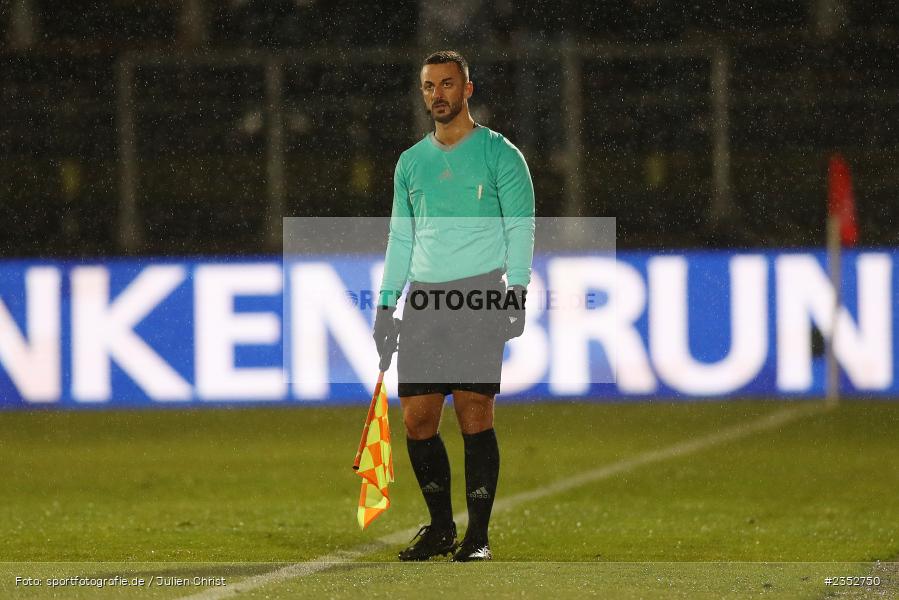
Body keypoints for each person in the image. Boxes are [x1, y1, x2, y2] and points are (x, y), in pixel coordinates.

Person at [372, 50, 535, 562]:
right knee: (418, 419)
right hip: (424, 299)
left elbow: (521, 226)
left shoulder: (501, 155)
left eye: (446, 84)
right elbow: (401, 237)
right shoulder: (410, 163)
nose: (436, 95)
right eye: (428, 86)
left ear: (467, 89)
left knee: (473, 415)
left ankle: (478, 538)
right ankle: (442, 528)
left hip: (480, 294)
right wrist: (385, 304)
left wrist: (518, 291)